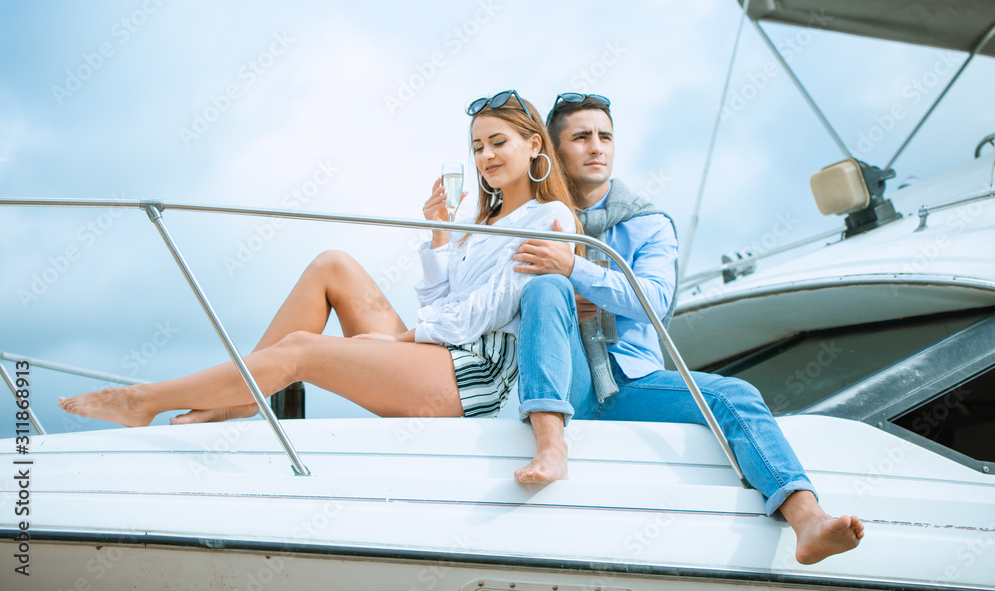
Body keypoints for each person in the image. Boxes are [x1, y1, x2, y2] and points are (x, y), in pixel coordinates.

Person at [58, 90, 578, 433]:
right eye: (478, 146)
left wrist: (393, 341)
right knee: (334, 264)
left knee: (303, 349)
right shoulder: (479, 223)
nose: (486, 157)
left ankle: (145, 400)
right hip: (443, 353)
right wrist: (439, 234)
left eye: (498, 143)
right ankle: (243, 395)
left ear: (534, 145)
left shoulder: (550, 216)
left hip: (476, 378)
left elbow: (483, 314)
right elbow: (443, 304)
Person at [508, 93, 864, 565]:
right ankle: (552, 448)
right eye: (581, 137)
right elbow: (497, 299)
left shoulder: (649, 223)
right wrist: (558, 286)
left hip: (631, 383)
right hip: (563, 382)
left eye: (605, 136)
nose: (597, 147)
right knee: (543, 292)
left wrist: (578, 269)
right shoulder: (530, 215)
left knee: (733, 394)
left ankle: (809, 521)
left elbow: (655, 301)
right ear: (554, 150)